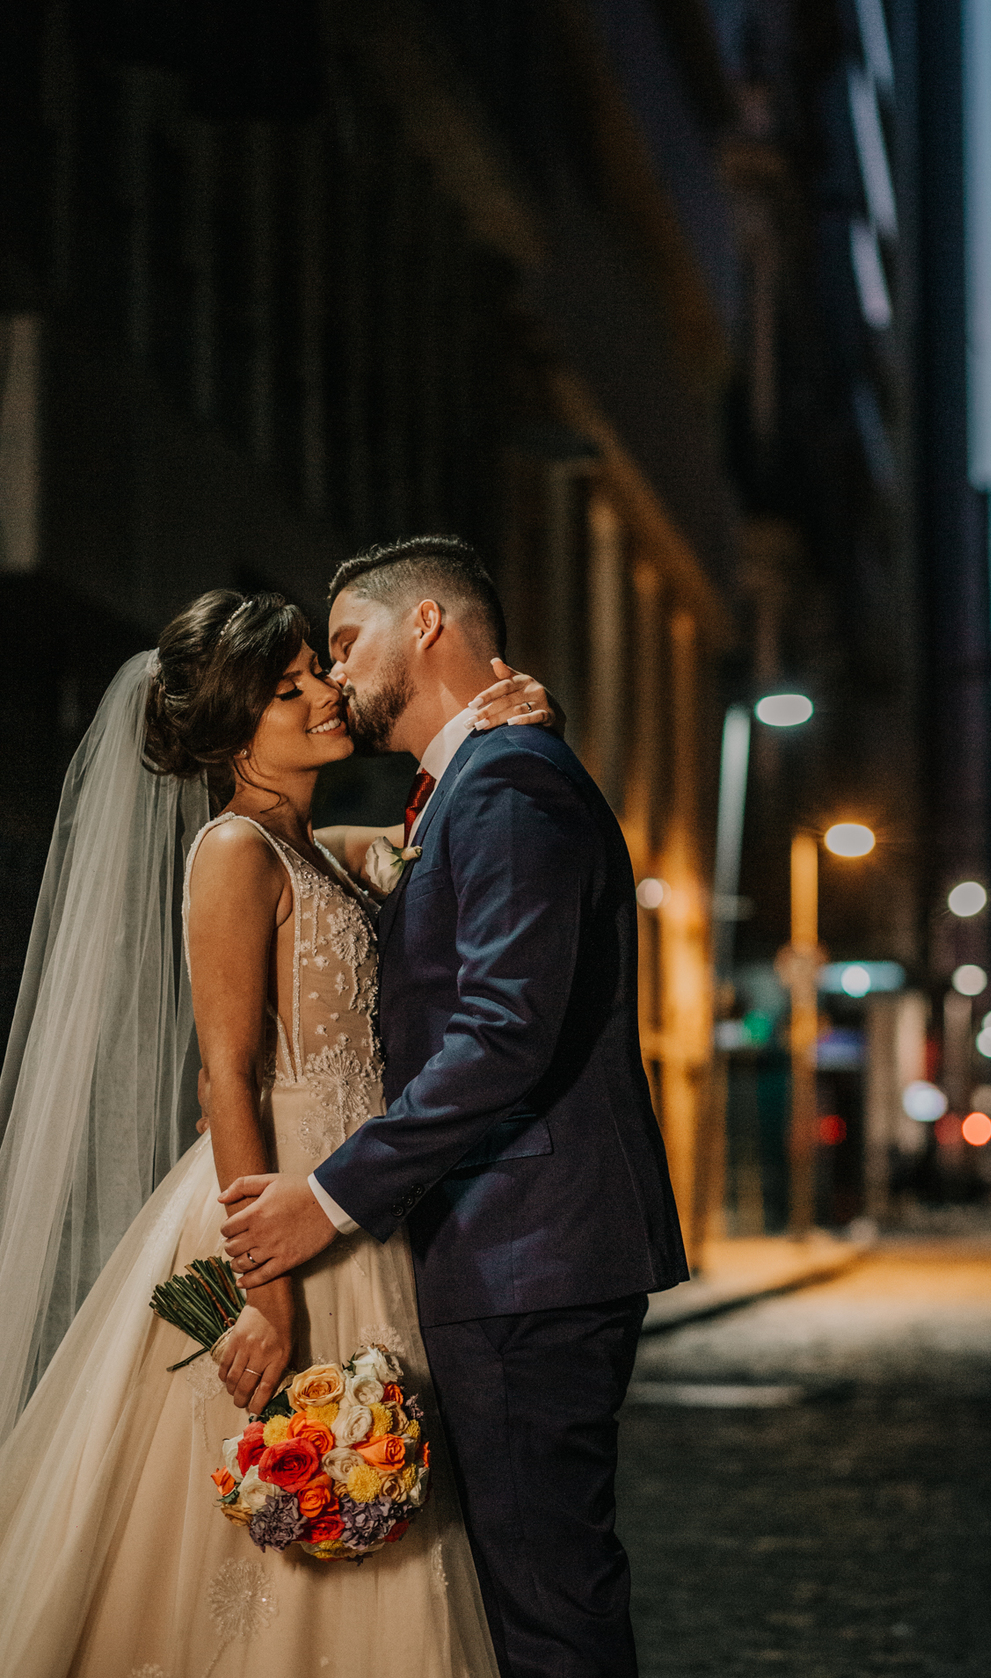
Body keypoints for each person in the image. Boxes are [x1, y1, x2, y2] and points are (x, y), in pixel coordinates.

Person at [0, 578, 556, 1676]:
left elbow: (446, 829)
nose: (324, 693)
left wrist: (510, 719)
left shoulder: (320, 848)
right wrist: (264, 1295)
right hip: (277, 1208)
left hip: (358, 1202)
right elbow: (226, 1075)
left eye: (315, 669)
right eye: (287, 687)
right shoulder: (233, 853)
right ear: (230, 728)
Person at [221, 535, 689, 1678]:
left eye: (345, 642)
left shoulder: (510, 781)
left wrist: (326, 1198)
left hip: (530, 1257)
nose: (335, 676)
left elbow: (502, 1036)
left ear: (425, 623)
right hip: (507, 1252)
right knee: (520, 1595)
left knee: (548, 1607)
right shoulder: (468, 784)